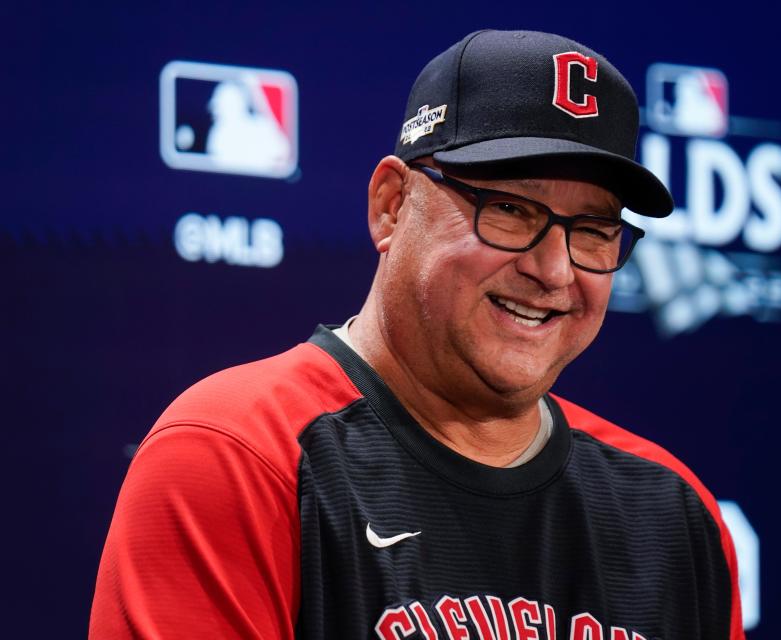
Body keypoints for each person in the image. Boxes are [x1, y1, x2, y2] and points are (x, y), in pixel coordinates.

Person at [91, 30, 744, 640]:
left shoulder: (674, 513)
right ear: (392, 205)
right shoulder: (236, 456)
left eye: (595, 229)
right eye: (511, 209)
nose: (554, 270)